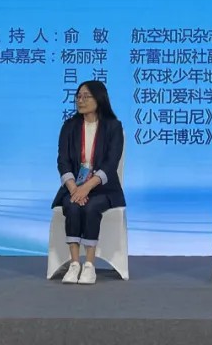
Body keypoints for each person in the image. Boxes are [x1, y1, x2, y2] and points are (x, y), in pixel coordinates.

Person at [52, 80, 125, 285]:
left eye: (86, 96)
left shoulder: (113, 126)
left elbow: (111, 163)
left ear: (99, 99)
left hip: (103, 188)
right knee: (72, 206)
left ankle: (90, 265)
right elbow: (63, 161)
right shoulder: (69, 126)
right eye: (78, 96)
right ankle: (75, 263)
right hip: (74, 187)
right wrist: (74, 188)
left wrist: (86, 187)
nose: (80, 100)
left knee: (91, 207)